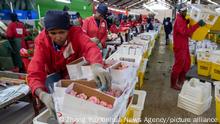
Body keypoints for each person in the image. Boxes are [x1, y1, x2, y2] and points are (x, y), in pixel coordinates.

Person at [27, 10, 111, 118]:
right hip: (53, 74)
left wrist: (96, 65)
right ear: (47, 32)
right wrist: (42, 94)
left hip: (73, 73)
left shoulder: (76, 33)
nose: (58, 37)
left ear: (68, 29)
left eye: (62, 32)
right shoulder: (42, 41)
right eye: (53, 33)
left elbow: (90, 47)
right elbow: (35, 71)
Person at [170, 3, 206, 90]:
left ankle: (181, 80)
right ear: (180, 11)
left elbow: (184, 29)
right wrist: (197, 25)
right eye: (184, 11)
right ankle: (173, 84)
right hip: (179, 47)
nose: (186, 12)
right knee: (178, 65)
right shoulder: (179, 20)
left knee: (187, 64)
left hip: (184, 45)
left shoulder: (182, 19)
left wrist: (186, 22)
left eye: (186, 11)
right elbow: (185, 32)